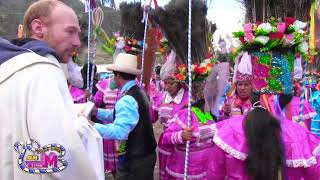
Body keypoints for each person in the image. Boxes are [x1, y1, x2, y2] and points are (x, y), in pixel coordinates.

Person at [0, 1, 103, 180]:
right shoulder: (44, 70)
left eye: (78, 34)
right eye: (70, 31)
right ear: (39, 28)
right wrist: (84, 127)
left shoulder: (9, 69)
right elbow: (61, 156)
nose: (77, 42)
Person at [208, 93, 320, 180]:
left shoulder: (230, 128)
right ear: (287, 102)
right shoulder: (300, 134)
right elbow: (315, 174)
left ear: (252, 99)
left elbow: (215, 173)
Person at [92, 53, 157, 180]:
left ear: (118, 75)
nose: (112, 78)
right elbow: (122, 116)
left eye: (113, 75)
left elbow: (120, 132)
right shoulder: (138, 91)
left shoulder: (127, 99)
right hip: (145, 155)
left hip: (135, 160)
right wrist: (97, 112)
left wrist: (92, 126)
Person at [160, 62, 229, 179]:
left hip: (206, 169)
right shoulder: (186, 114)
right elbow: (165, 138)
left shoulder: (208, 113)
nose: (215, 95)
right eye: (212, 93)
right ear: (203, 94)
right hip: (187, 172)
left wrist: (226, 115)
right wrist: (181, 135)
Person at [149, 51, 189, 180]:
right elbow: (152, 117)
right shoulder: (160, 98)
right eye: (165, 83)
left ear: (179, 82)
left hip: (183, 143)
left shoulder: (189, 97)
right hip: (166, 142)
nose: (167, 87)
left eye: (171, 83)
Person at [220, 53, 252, 120]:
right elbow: (222, 122)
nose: (242, 88)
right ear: (236, 86)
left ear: (251, 86)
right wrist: (226, 114)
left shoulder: (256, 102)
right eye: (240, 84)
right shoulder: (230, 101)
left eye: (246, 85)